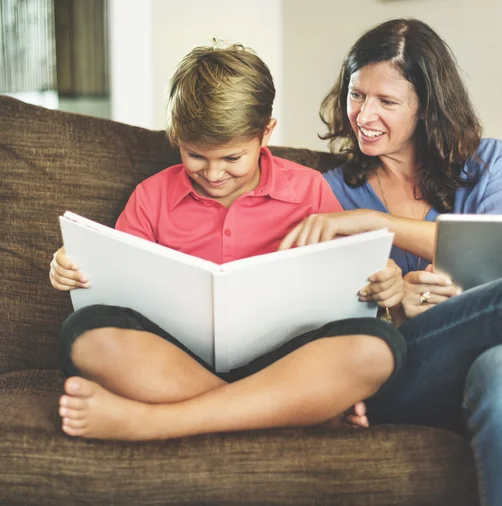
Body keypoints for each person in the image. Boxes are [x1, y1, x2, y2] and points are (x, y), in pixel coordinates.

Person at [280, 19, 502, 506]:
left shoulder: (489, 165)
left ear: (426, 108)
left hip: (482, 360)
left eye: (386, 102)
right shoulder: (327, 192)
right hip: (403, 369)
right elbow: (319, 313)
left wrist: (373, 223)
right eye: (356, 94)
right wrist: (396, 304)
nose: (364, 115)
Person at [49, 43, 408, 441]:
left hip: (285, 359)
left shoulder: (309, 189)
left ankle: (153, 422)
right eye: (196, 156)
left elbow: (351, 281)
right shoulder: (151, 196)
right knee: (85, 333)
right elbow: (114, 285)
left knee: (379, 345)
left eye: (232, 158)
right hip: (171, 358)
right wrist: (75, 268)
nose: (214, 173)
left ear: (265, 133)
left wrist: (383, 280)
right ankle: (297, 411)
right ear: (176, 136)